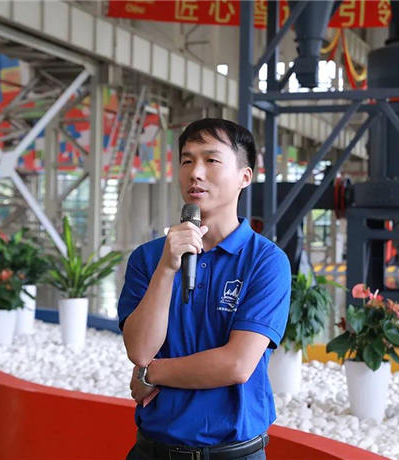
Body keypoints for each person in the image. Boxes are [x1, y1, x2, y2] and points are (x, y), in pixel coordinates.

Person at [118, 118, 291, 460]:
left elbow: (236, 364)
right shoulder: (148, 259)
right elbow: (140, 350)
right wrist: (167, 268)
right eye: (187, 160)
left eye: (211, 160)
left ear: (244, 176)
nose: (195, 173)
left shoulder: (266, 261)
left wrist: (152, 373)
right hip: (152, 451)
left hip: (234, 454)